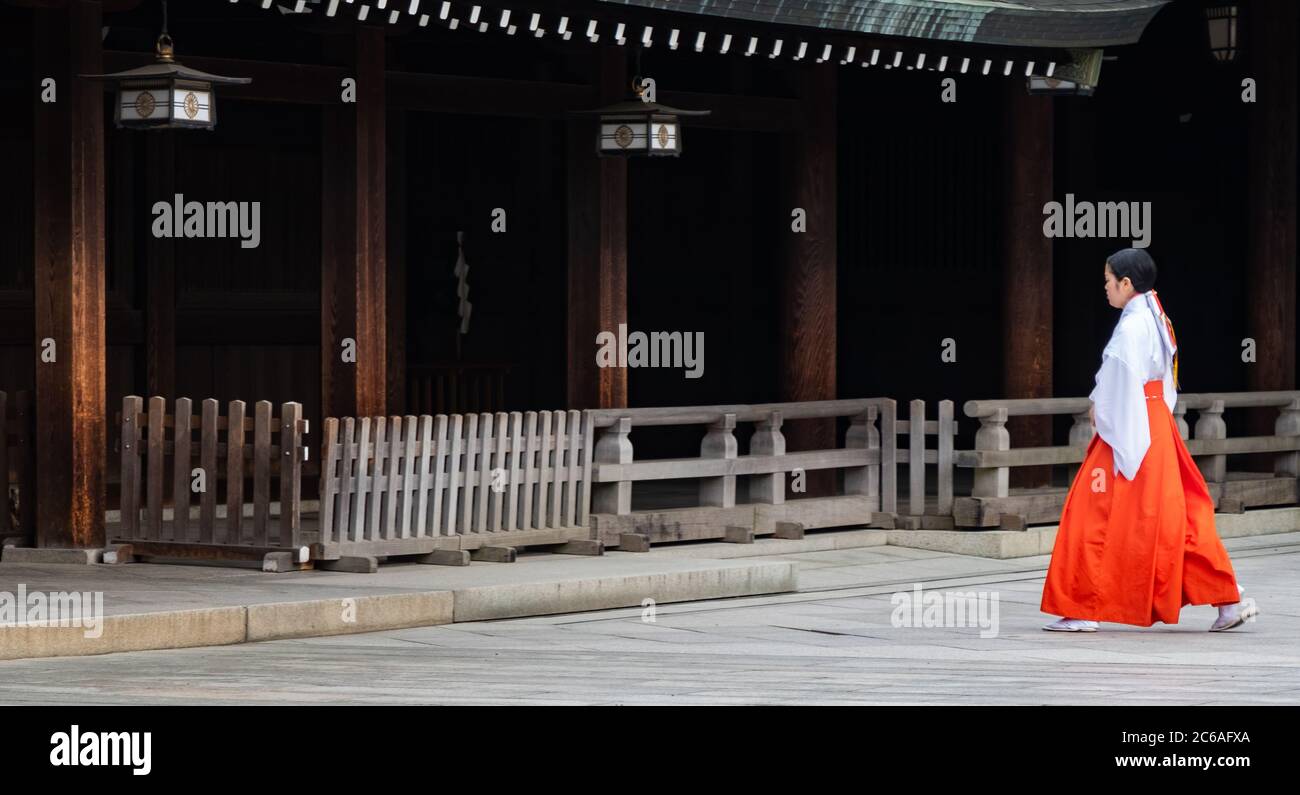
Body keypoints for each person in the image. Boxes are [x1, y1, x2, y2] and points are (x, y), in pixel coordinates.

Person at [1040, 248, 1258, 632]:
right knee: (1175, 516)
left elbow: (1120, 379)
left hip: (1132, 422)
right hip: (1155, 419)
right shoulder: (1155, 314)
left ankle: (1083, 607)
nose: (1105, 288)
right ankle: (1228, 597)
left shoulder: (1132, 325)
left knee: (1093, 513)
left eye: (1108, 281)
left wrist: (1102, 413)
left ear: (1126, 283)